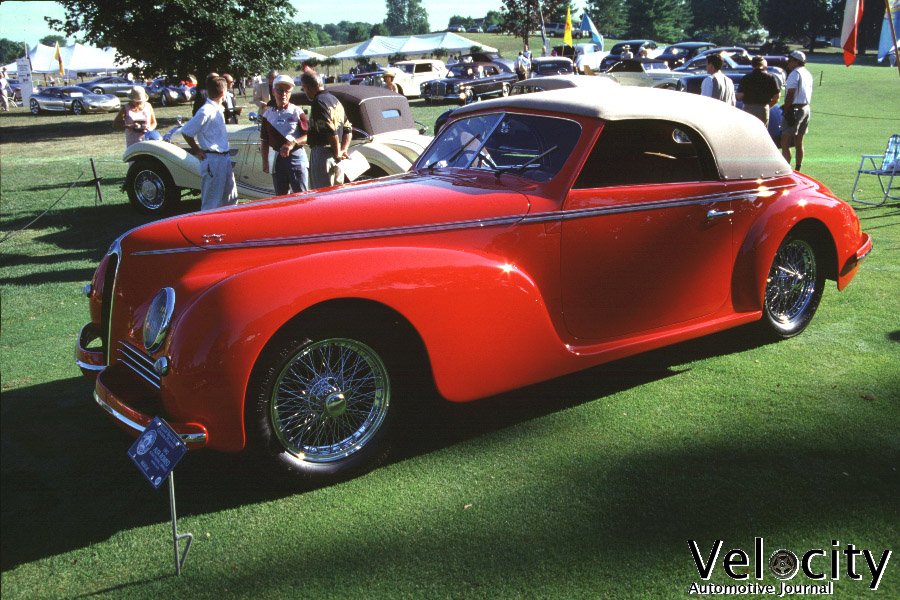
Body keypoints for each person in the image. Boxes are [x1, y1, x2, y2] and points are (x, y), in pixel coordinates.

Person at [181, 76, 237, 211]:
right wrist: (197, 150)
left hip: (224, 157)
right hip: (213, 158)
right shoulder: (206, 111)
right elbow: (187, 131)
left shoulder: (218, 109)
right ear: (223, 92)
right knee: (212, 200)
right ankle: (208, 229)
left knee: (230, 197)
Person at [300, 70, 352, 189]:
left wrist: (337, 151)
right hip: (336, 155)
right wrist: (342, 149)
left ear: (307, 87)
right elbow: (348, 129)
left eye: (303, 89)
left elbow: (330, 130)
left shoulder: (318, 102)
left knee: (321, 195)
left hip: (323, 154)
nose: (305, 92)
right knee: (337, 196)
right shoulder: (334, 100)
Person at [261, 74, 309, 195]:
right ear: (273, 91)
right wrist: (265, 161)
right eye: (280, 90)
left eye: (287, 91)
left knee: (301, 197)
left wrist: (293, 143)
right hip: (277, 161)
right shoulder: (267, 115)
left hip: (296, 159)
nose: (283, 94)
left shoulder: (297, 111)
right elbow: (264, 140)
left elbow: (308, 136)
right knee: (281, 199)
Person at [781, 50, 813, 171]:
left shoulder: (794, 73)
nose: (788, 62)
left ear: (796, 61)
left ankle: (786, 169)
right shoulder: (807, 73)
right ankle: (798, 168)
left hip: (795, 109)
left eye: (790, 60)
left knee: (785, 141)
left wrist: (786, 108)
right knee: (799, 141)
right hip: (806, 108)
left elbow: (790, 93)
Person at [737, 56, 780, 127]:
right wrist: (767, 106)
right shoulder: (770, 78)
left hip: (748, 108)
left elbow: (739, 95)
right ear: (763, 64)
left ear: (752, 65)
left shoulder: (746, 78)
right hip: (763, 108)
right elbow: (776, 97)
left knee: (748, 131)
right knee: (762, 132)